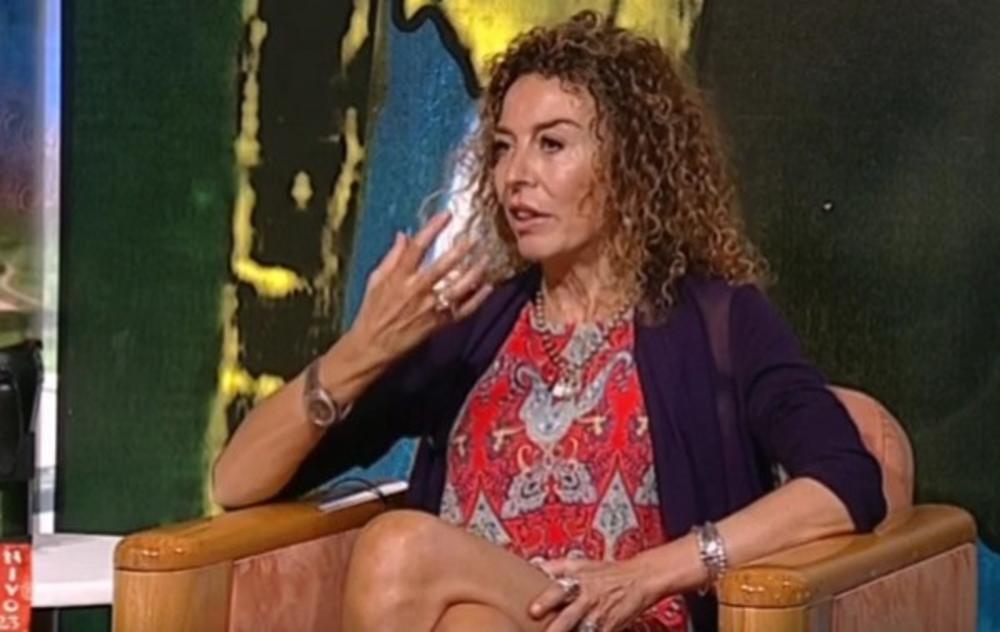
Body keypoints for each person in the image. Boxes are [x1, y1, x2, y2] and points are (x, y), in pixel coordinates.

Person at [212, 11, 885, 632]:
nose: (515, 176)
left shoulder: (719, 322)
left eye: (552, 144)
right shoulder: (474, 327)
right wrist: (360, 352)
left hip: (636, 620)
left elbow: (846, 483)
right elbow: (236, 482)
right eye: (504, 147)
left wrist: (652, 572)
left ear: (632, 162)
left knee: (400, 550)